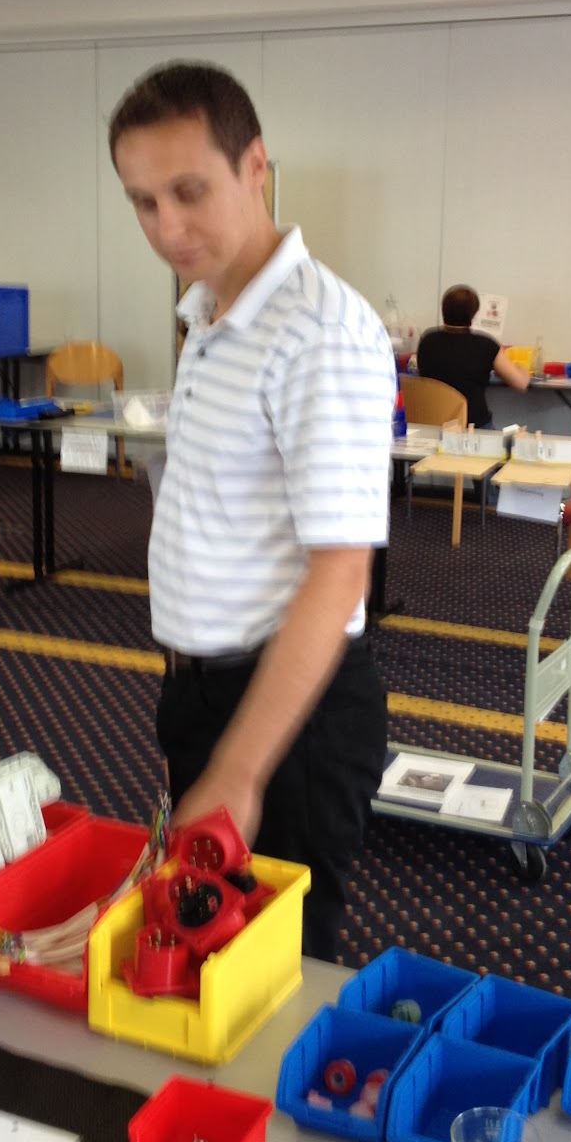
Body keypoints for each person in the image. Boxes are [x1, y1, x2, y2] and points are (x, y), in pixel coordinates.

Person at [109, 61, 395, 960]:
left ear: (256, 167)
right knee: (207, 957)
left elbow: (341, 573)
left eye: (189, 192)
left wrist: (240, 768)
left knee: (276, 973)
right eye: (143, 201)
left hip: (289, 713)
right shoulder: (211, 313)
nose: (167, 228)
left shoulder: (318, 330)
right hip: (205, 691)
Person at [415, 284, 530, 428]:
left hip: (431, 425)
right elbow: (520, 384)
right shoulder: (486, 345)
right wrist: (523, 369)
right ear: (474, 313)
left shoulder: (427, 340)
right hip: (472, 426)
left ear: (444, 309)